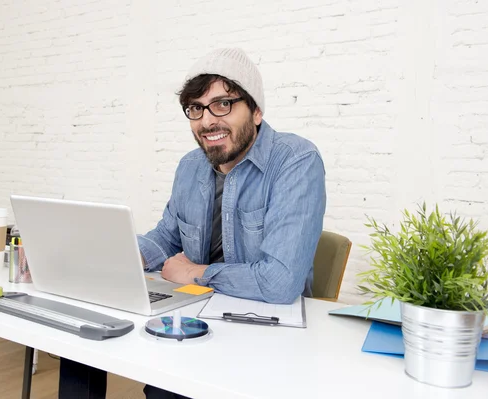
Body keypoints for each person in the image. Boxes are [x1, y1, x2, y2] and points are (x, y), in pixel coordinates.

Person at [58, 47, 326, 399]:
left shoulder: (296, 161)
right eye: (196, 109)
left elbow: (280, 282)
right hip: (197, 315)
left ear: (256, 110)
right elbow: (166, 237)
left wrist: (196, 273)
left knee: (165, 391)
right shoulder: (191, 167)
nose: (207, 121)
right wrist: (113, 256)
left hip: (264, 332)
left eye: (223, 104)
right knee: (87, 331)